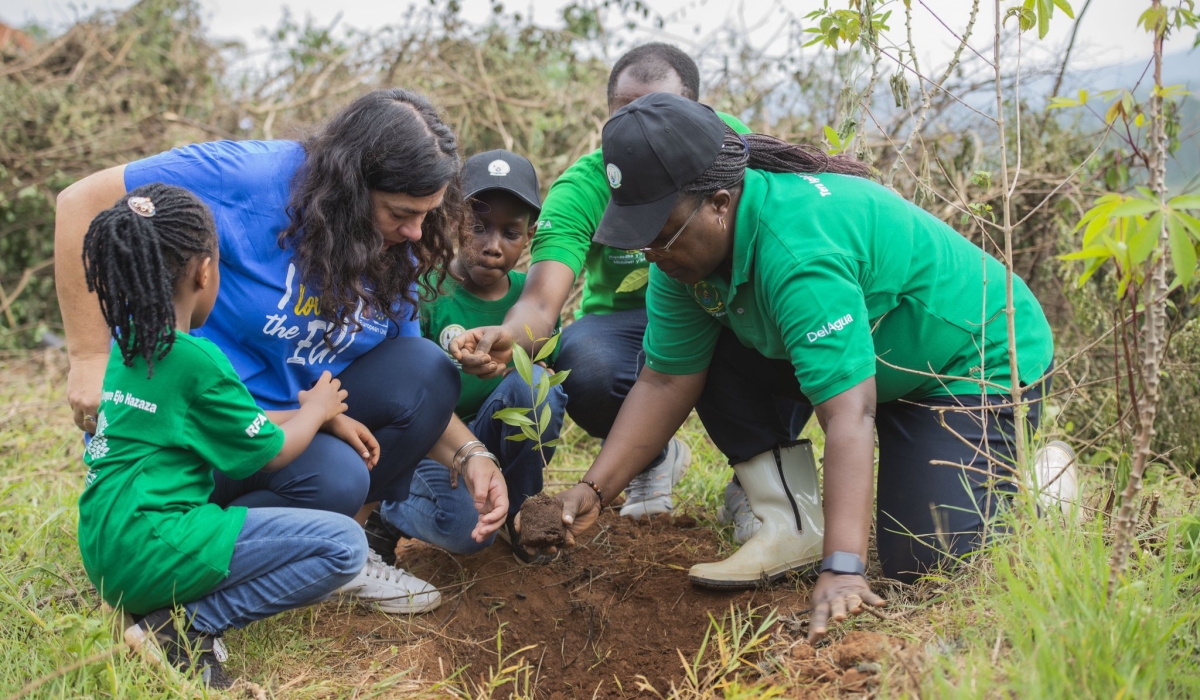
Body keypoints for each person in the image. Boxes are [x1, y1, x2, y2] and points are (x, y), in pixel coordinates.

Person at [522, 93, 1056, 644]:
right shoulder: (685, 259)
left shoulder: (798, 252)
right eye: (640, 237)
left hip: (968, 363)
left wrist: (844, 568)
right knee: (714, 350)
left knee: (926, 564)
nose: (651, 253)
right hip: (875, 360)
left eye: (660, 233)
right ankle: (792, 522)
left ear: (720, 203)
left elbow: (849, 413)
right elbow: (666, 379)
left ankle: (1042, 486)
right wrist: (594, 490)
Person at [55, 89, 508, 615]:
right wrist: (88, 357)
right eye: (401, 213)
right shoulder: (243, 177)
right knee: (332, 477)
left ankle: (342, 551)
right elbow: (80, 201)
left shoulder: (399, 246)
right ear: (349, 187)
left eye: (428, 215)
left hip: (287, 430)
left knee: (417, 381)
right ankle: (191, 549)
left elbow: (412, 383)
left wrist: (472, 454)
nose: (416, 232)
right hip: (201, 431)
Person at [450, 43, 762, 523]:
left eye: (661, 113)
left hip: (722, 305)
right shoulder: (584, 188)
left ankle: (758, 473)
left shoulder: (738, 151)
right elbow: (540, 302)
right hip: (626, 324)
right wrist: (508, 338)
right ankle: (651, 457)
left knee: (766, 333)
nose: (643, 133)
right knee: (585, 361)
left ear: (702, 114)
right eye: (626, 116)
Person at [77, 184, 368, 688]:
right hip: (152, 542)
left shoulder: (130, 347)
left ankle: (152, 609)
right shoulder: (197, 359)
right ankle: (183, 628)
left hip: (106, 547)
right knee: (345, 546)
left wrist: (312, 416)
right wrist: (317, 406)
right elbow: (273, 455)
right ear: (205, 271)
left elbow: (236, 419)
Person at [373, 150, 567, 564]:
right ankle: (389, 509)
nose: (492, 247)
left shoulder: (532, 300)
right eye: (478, 227)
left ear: (528, 236)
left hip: (498, 435)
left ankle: (523, 514)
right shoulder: (424, 290)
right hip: (436, 445)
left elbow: (547, 377)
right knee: (467, 531)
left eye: (510, 233)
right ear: (453, 221)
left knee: (536, 384)